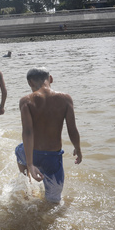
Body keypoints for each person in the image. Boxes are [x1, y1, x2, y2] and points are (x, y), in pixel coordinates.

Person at [15, 67, 82, 203]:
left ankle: (27, 182)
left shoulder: (26, 101)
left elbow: (27, 132)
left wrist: (30, 164)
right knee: (53, 201)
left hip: (31, 154)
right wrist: (78, 149)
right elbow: (72, 129)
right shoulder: (65, 99)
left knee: (18, 151)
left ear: (30, 83)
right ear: (50, 78)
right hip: (52, 159)